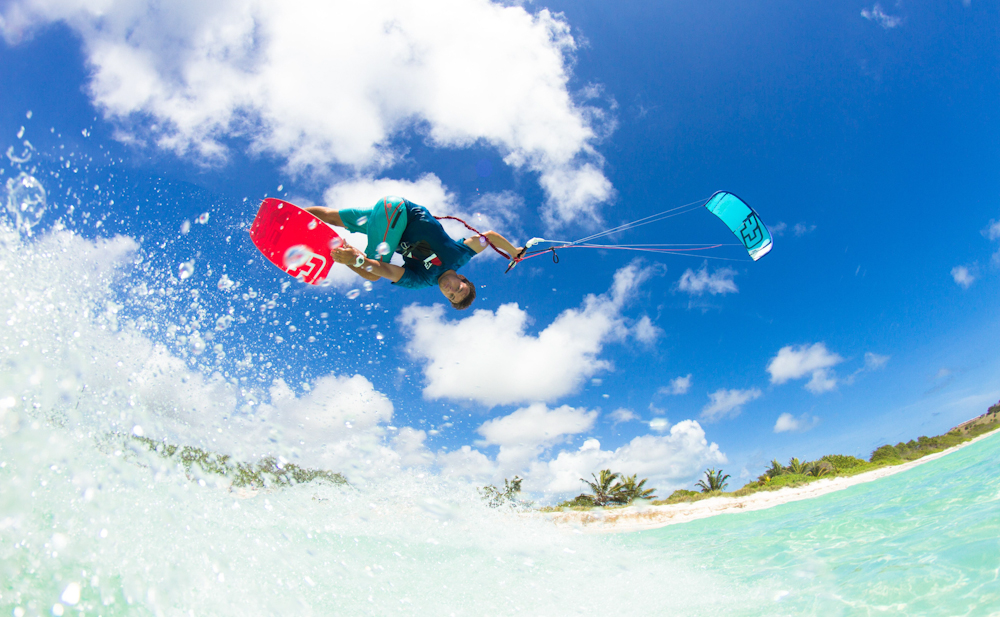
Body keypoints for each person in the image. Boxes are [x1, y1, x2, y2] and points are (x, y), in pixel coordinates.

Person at [305, 197, 522, 310]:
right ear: (462, 278)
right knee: (371, 273)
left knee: (332, 217)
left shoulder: (421, 280)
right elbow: (489, 237)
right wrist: (514, 251)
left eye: (451, 296)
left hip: (386, 214)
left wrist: (358, 260)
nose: (450, 290)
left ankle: (295, 213)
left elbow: (387, 270)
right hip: (400, 212)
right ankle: (344, 253)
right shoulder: (458, 256)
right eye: (458, 289)